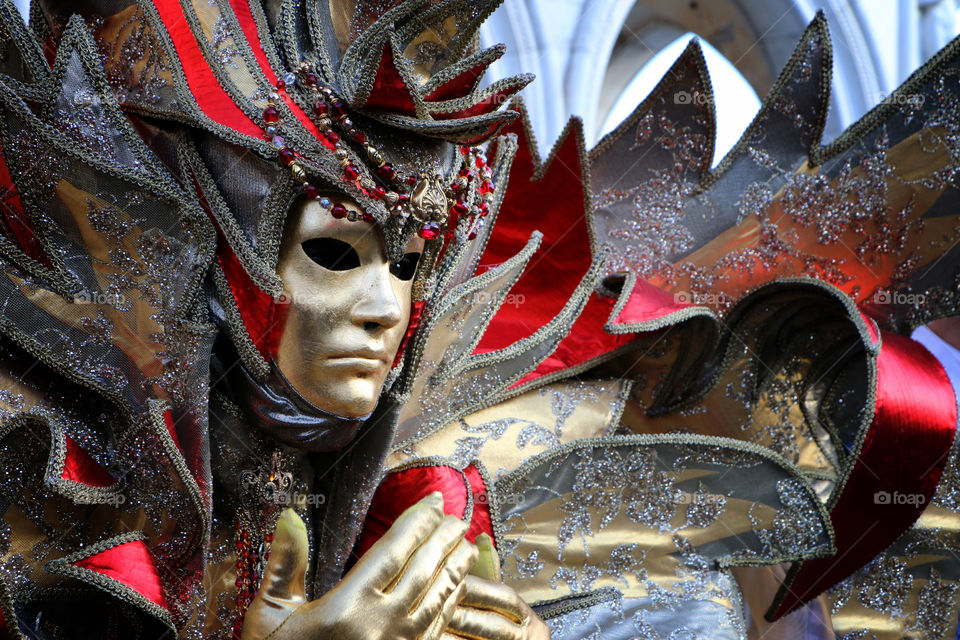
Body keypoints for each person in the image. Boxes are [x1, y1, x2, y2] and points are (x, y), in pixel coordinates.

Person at [0, 1, 959, 639]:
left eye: (408, 265)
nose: (384, 308)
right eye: (336, 254)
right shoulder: (52, 469)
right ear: (217, 257)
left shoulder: (426, 481)